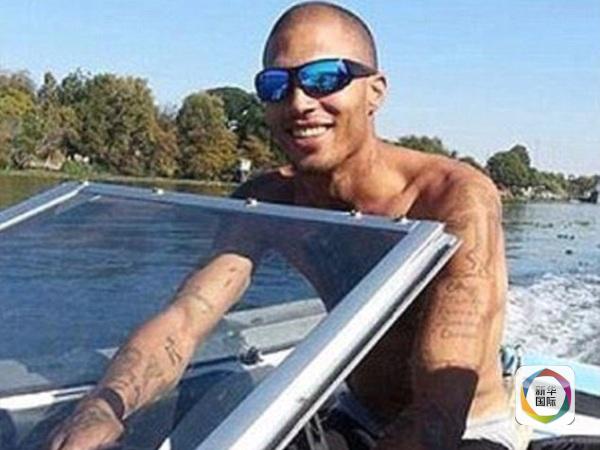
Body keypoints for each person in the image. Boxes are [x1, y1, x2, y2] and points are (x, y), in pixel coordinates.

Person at [49, 2, 514, 449]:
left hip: (467, 429)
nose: (298, 102)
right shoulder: (270, 201)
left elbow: (439, 410)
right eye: (276, 84)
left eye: (324, 78)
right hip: (360, 414)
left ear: (375, 91)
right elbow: (186, 318)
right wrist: (103, 406)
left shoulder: (451, 198)